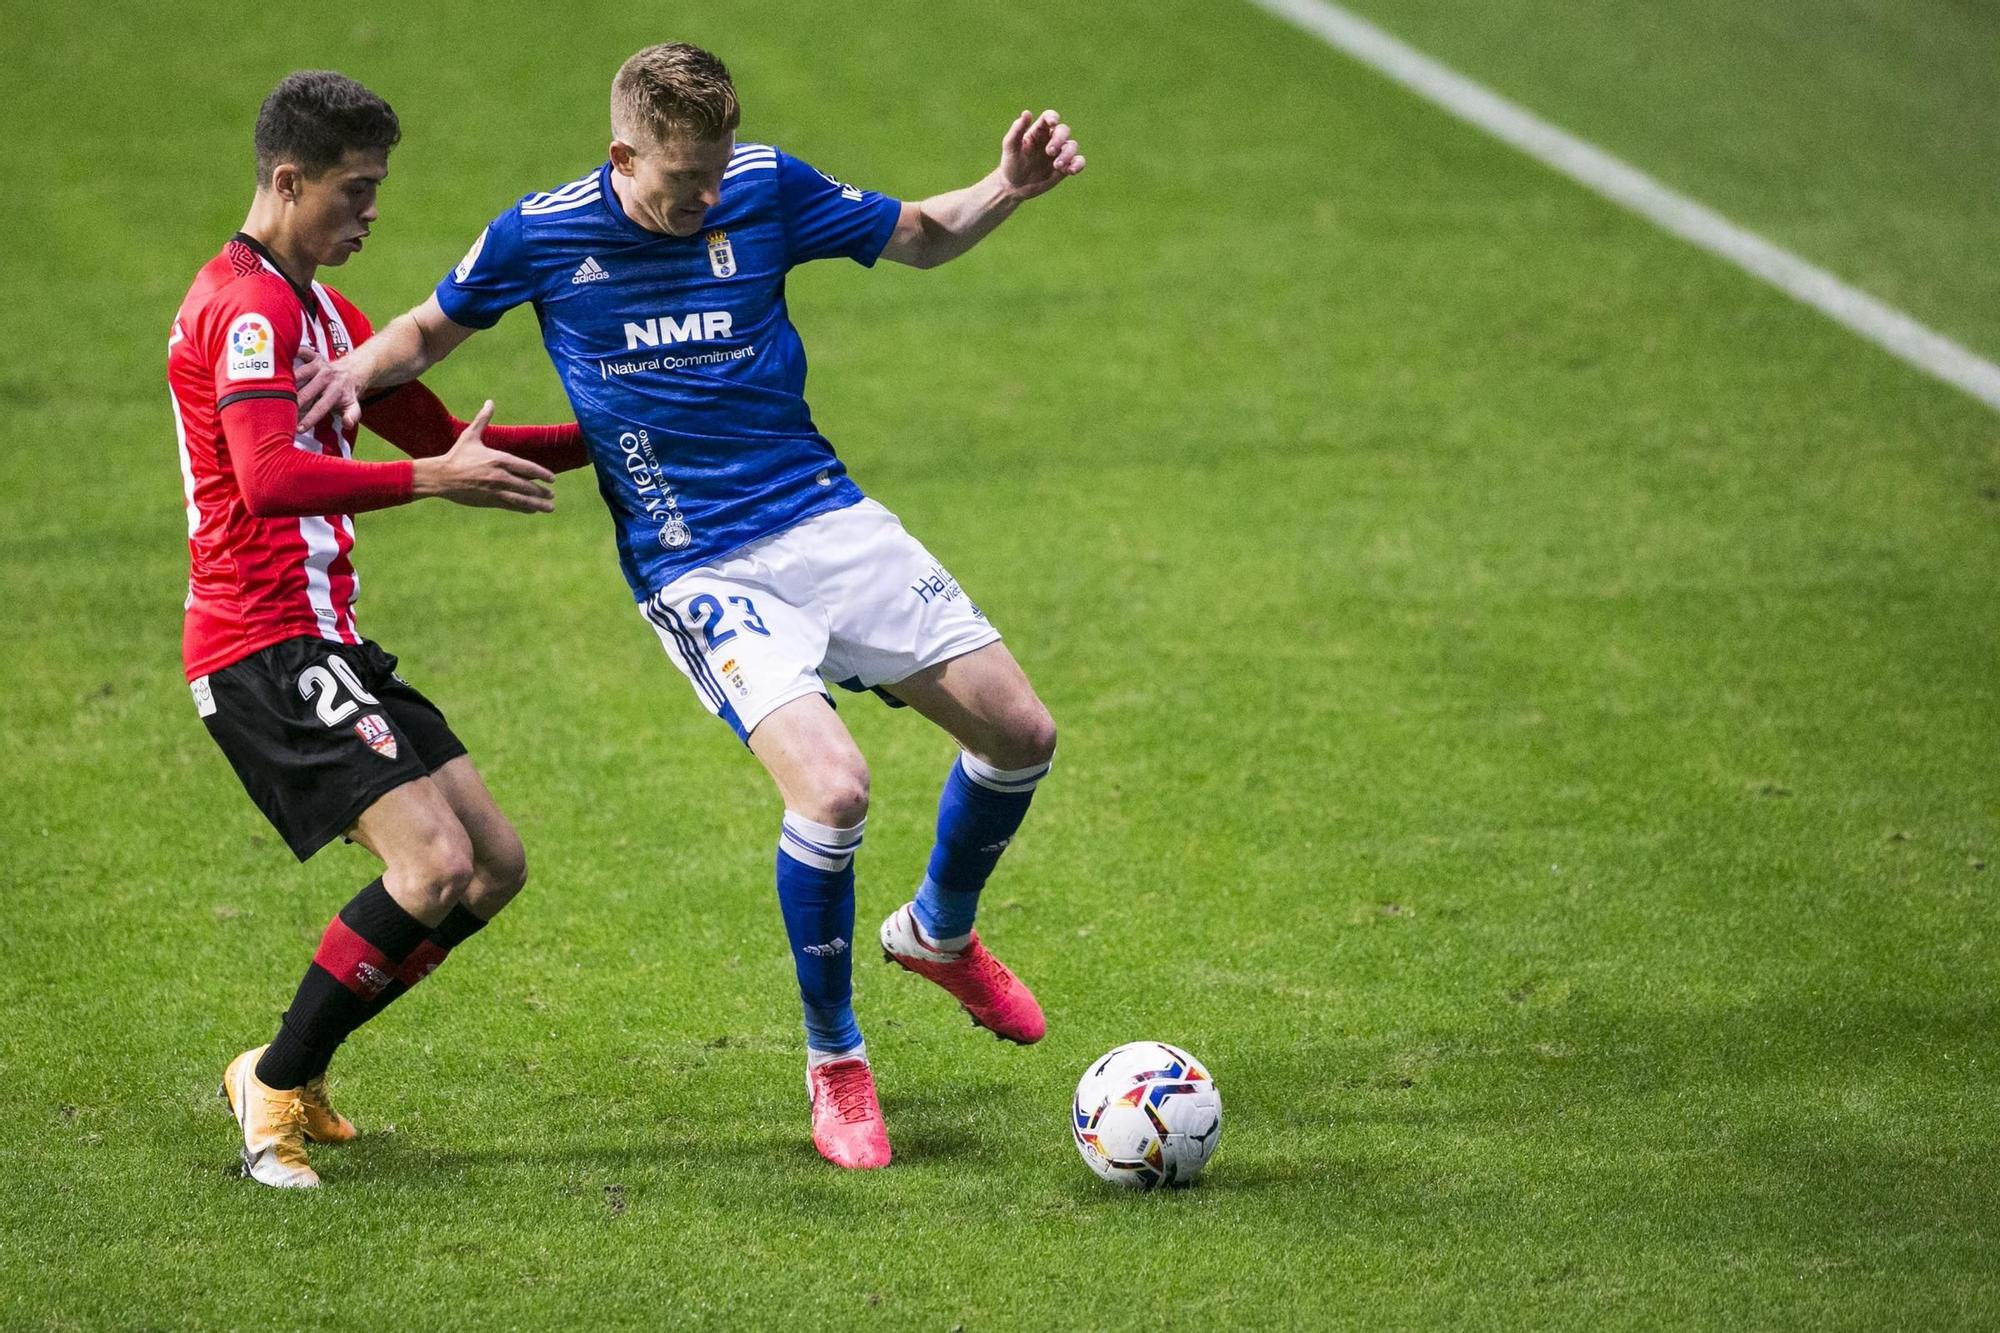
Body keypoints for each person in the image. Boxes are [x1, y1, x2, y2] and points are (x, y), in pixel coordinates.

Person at [301, 43, 1085, 1169]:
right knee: (833, 786)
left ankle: (937, 933)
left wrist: (1005, 187)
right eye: (684, 182)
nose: (710, 198)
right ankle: (836, 1062)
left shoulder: (762, 182)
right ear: (623, 156)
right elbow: (429, 329)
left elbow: (918, 234)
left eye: (718, 173)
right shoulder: (543, 231)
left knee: (1021, 731)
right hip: (695, 561)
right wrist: (350, 375)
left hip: (820, 513)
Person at [169, 70, 590, 1188]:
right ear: (288, 179)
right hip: (257, 646)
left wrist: (626, 423)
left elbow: (449, 434)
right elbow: (264, 479)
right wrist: (426, 482)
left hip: (325, 640)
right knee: (433, 858)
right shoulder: (244, 308)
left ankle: (290, 1067)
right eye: (354, 192)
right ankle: (269, 1088)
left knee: (492, 865)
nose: (370, 214)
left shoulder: (324, 314)